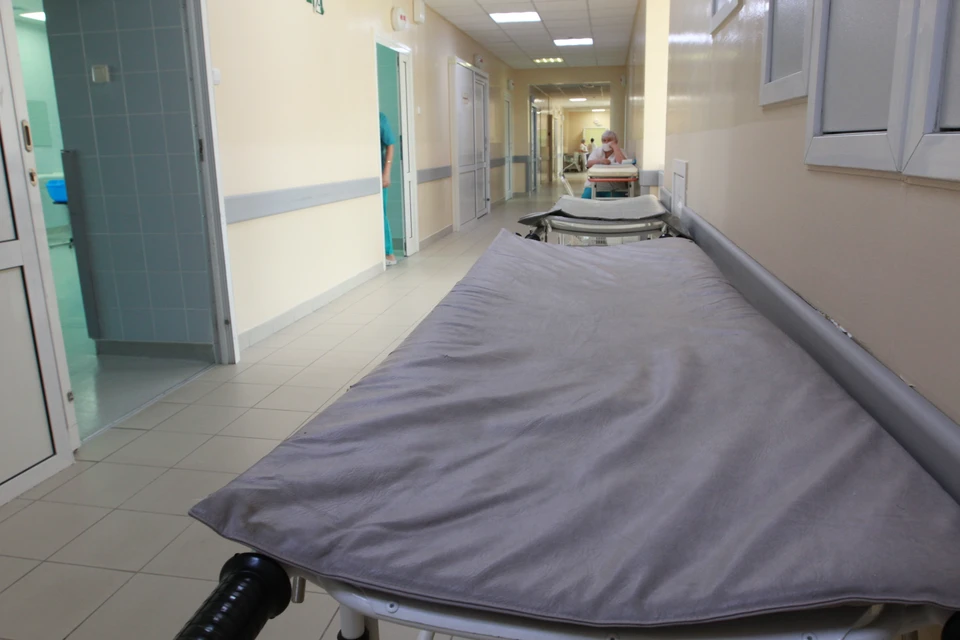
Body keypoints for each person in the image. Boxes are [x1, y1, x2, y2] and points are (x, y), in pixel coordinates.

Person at [583, 130, 631, 198]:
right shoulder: (597, 151)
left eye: (609, 140)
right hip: (595, 183)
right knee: (585, 199)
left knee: (617, 202)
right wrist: (600, 161)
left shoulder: (620, 151)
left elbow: (623, 164)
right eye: (604, 140)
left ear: (616, 141)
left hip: (615, 186)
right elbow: (588, 164)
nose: (606, 142)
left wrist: (615, 147)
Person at [380, 112, 398, 266]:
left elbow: (390, 144)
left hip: (379, 175)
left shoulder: (379, 118)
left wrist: (386, 172)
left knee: (381, 212)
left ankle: (389, 253)